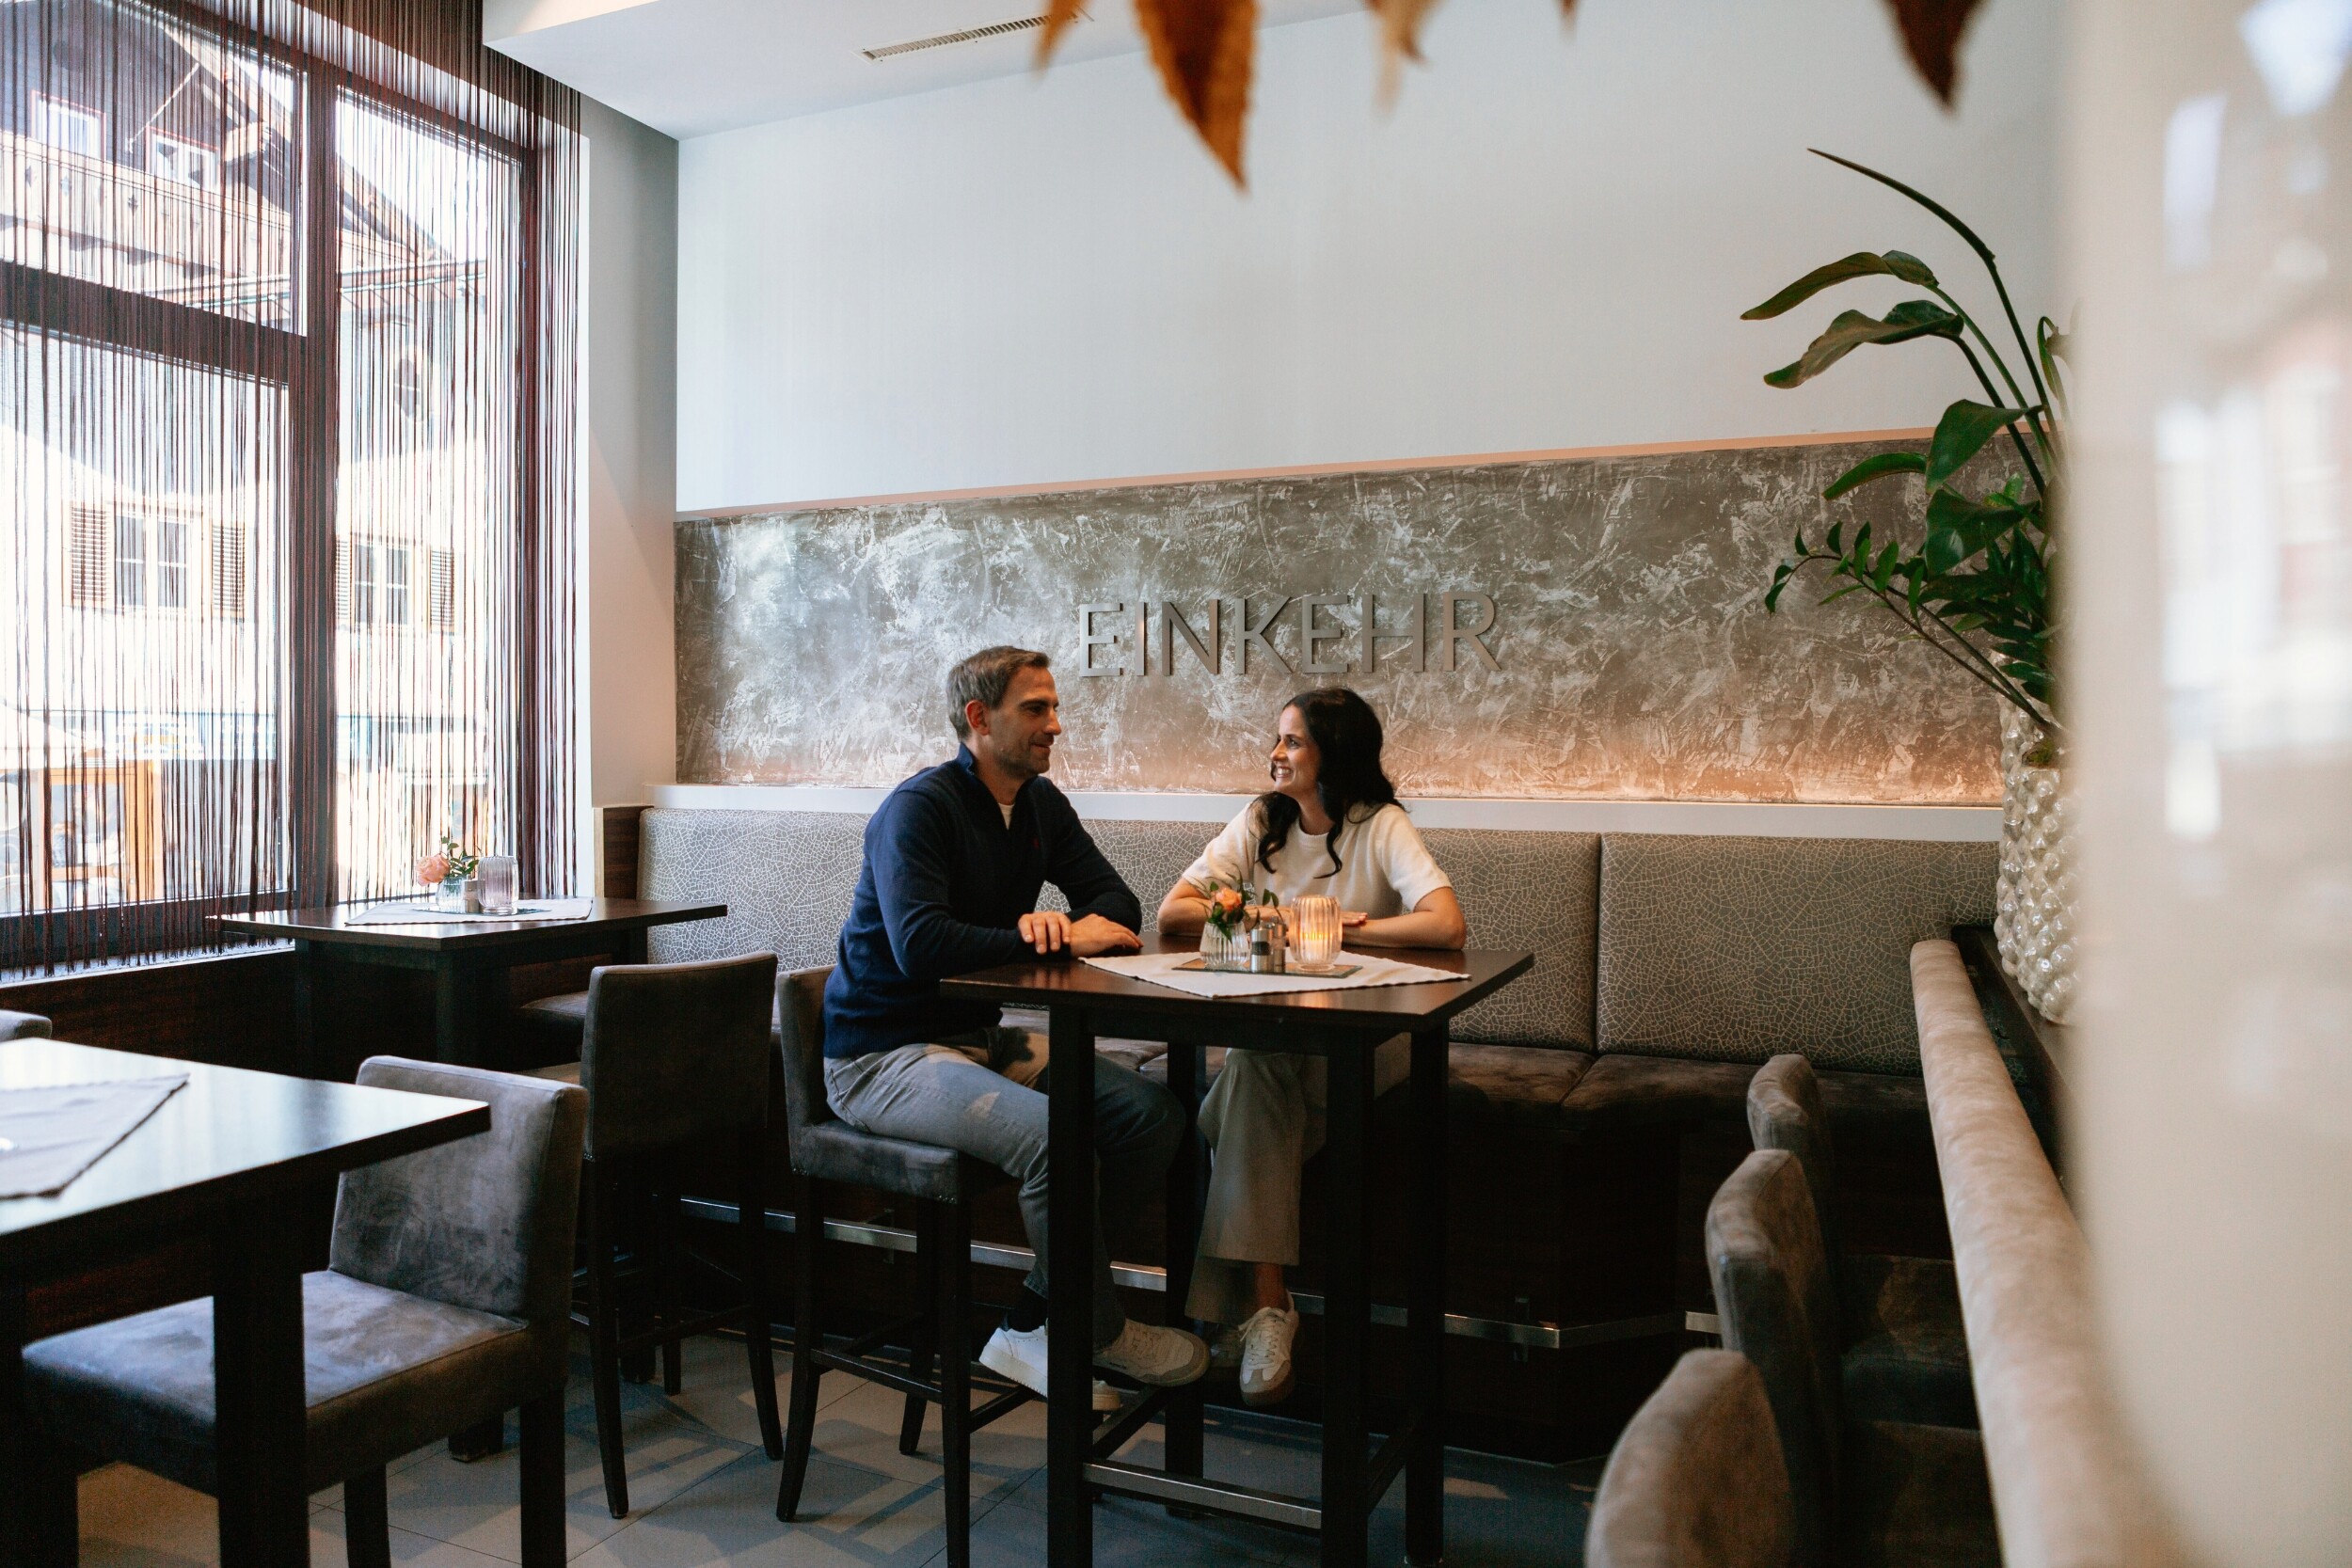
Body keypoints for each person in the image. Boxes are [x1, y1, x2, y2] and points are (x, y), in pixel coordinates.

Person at [821, 645, 1210, 1407]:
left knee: (1151, 1116)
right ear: (979, 718)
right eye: (1036, 709)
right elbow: (920, 944)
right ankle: (1097, 1334)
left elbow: (1118, 906)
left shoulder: (1037, 804)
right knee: (1052, 1134)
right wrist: (1061, 934)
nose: (1055, 725)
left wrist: (1066, 924)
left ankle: (1035, 1319)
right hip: (880, 1055)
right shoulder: (919, 809)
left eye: (1055, 708)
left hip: (975, 1043)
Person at [1156, 687, 1467, 1406]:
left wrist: (1343, 928)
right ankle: (1270, 1307)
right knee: (1254, 1066)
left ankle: (1230, 1317)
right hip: (1275, 1045)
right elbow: (1174, 912)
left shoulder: (1378, 824)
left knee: (1225, 1104)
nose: (1276, 753)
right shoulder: (1262, 820)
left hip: (1373, 1042)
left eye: (1293, 741)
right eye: (1278, 739)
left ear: (1335, 752)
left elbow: (1445, 924)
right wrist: (1282, 916)